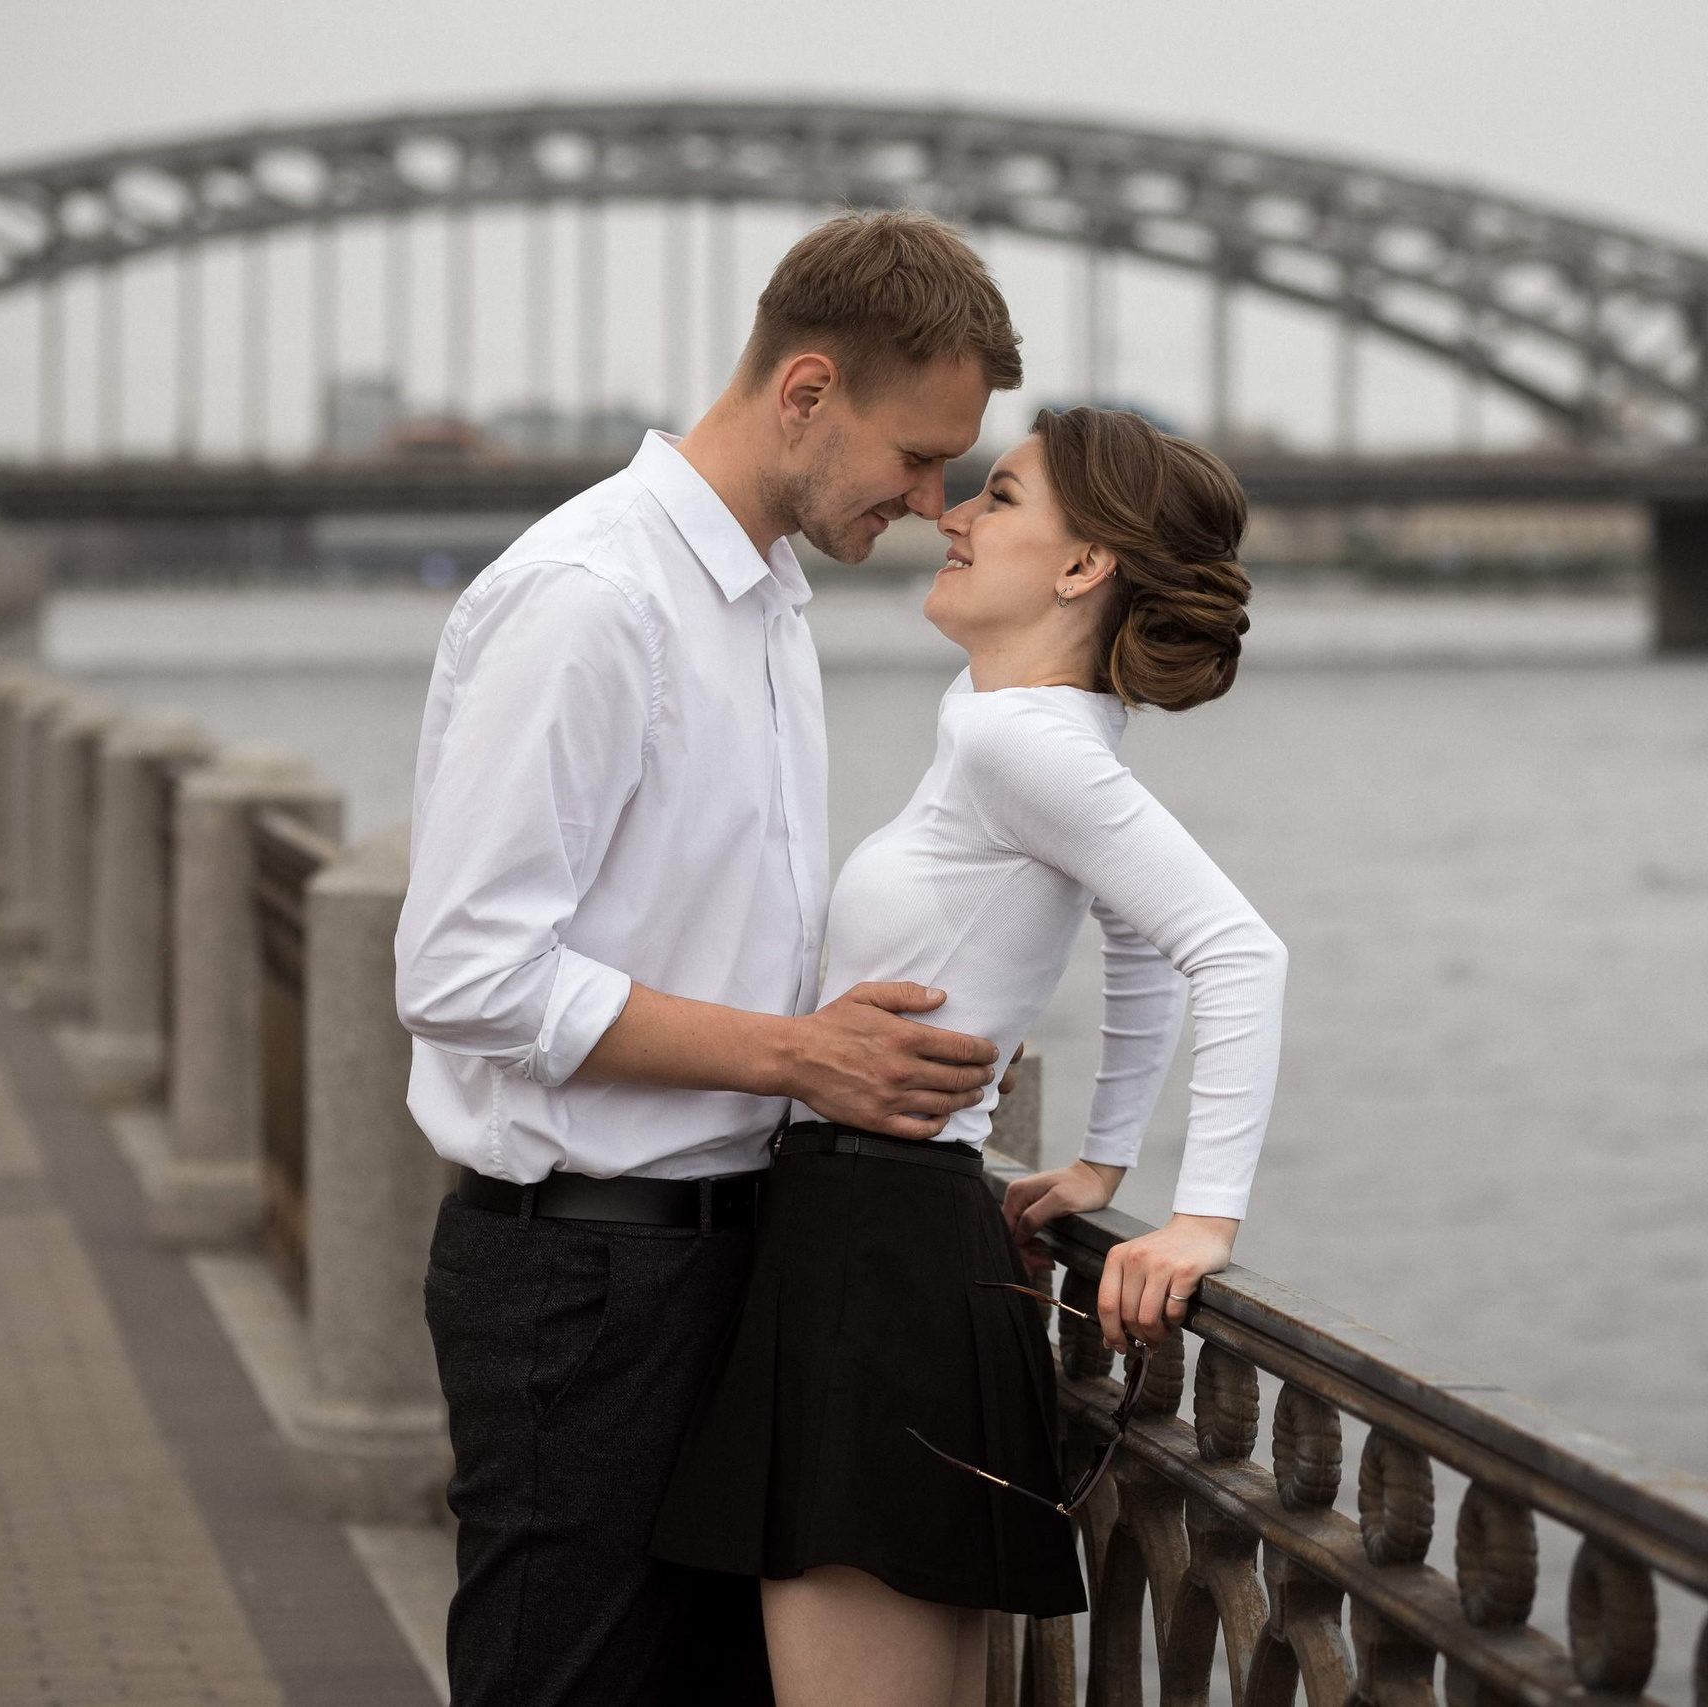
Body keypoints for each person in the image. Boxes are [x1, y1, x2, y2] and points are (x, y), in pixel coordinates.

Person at [393, 210, 1025, 1707]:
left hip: (733, 1260)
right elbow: (464, 972)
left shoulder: (764, 602)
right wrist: (802, 1055)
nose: (934, 503)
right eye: (917, 457)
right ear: (806, 392)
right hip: (584, 1280)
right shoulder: (593, 600)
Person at [651, 406, 1290, 1707]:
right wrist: (1103, 1158)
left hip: (875, 1254)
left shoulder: (1020, 742)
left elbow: (1236, 952)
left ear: (1082, 566)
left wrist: (1203, 1218)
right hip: (893, 1242)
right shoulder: (1016, 724)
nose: (950, 514)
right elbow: (1134, 938)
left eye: (999, 497)